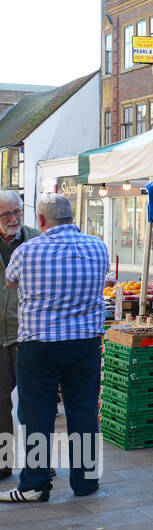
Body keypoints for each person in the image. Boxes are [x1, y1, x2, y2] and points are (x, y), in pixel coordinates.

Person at [3, 194, 110, 502]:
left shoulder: (26, 251)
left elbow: (11, 282)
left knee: (38, 414)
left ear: (40, 221)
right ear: (72, 216)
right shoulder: (98, 247)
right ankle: (86, 481)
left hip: (39, 346)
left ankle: (36, 484)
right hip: (85, 344)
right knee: (84, 411)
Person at [0, 192, 38, 481]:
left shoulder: (37, 240)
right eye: (5, 215)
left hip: (29, 335)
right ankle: (3, 464)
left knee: (35, 403)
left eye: (17, 212)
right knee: (1, 405)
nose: (13, 219)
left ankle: (39, 464)